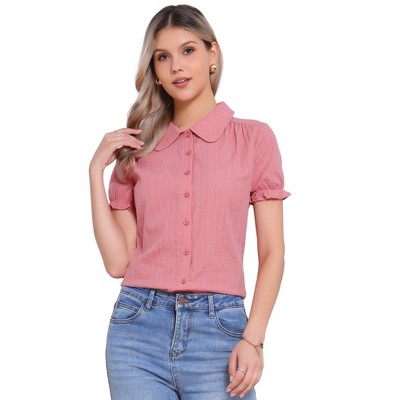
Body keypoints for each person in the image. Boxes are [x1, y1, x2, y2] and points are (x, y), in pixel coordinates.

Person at [89, 4, 290, 399]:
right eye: (163, 57)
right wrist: (95, 172)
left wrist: (253, 339)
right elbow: (117, 263)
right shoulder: (138, 149)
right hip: (137, 331)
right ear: (154, 70)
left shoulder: (254, 140)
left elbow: (273, 252)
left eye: (188, 51)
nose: (177, 66)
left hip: (220, 334)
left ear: (213, 54)